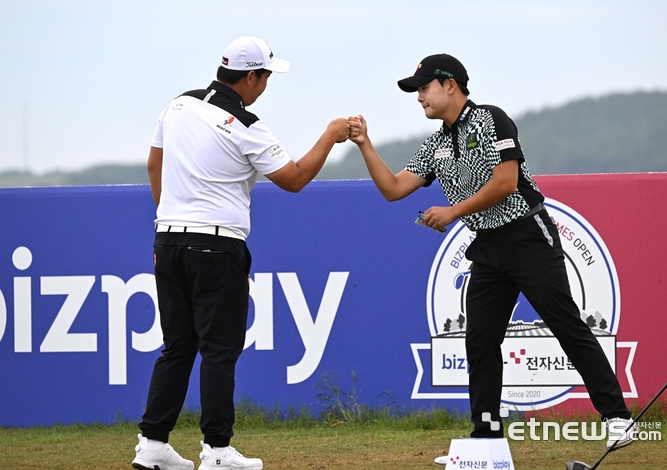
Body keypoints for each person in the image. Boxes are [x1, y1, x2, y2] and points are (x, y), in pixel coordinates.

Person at [348, 53, 636, 465]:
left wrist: (452, 211)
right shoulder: (435, 144)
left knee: (566, 325)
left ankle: (617, 418)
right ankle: (485, 437)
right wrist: (364, 144)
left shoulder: (490, 119)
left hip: (527, 235)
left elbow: (506, 181)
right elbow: (394, 188)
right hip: (488, 247)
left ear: (450, 85)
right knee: (480, 341)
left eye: (424, 89)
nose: (419, 99)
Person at [132, 36, 349, 470]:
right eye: (266, 77)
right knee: (219, 347)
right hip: (216, 244)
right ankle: (216, 450)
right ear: (250, 76)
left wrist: (170, 215)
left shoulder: (177, 105)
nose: (266, 85)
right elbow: (294, 178)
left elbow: (154, 164)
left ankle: (153, 443)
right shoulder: (247, 124)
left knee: (177, 345)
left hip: (168, 239)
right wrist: (330, 135)